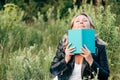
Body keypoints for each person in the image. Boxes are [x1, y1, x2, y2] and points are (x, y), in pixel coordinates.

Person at [50, 13, 110, 80]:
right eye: (77, 21)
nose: (81, 22)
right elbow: (53, 71)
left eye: (85, 20)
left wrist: (91, 60)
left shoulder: (99, 46)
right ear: (72, 27)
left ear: (91, 27)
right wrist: (66, 59)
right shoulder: (64, 43)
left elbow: (105, 76)